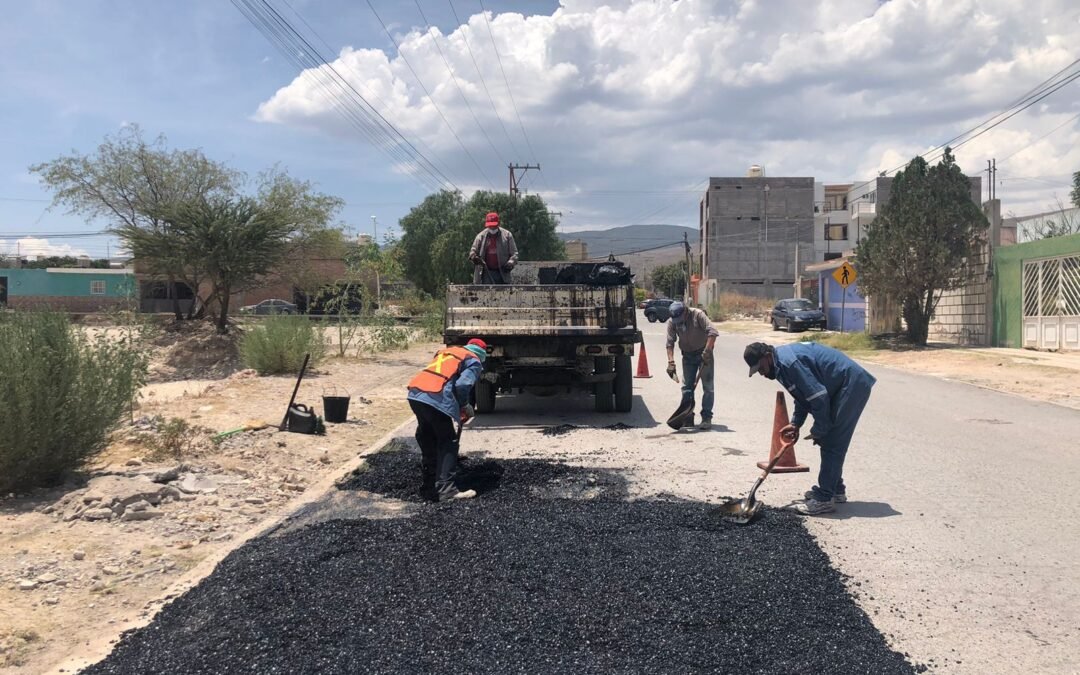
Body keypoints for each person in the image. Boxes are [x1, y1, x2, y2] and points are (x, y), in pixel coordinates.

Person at [743, 341, 876, 515]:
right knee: (829, 439)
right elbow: (803, 395)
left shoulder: (789, 363)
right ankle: (836, 489)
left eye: (760, 368)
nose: (761, 373)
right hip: (839, 386)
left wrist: (819, 429)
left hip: (851, 384)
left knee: (832, 441)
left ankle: (825, 499)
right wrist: (796, 423)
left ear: (767, 357)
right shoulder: (780, 365)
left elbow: (818, 397)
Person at [406, 338, 489, 502]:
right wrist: (464, 405)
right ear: (481, 354)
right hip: (435, 396)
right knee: (448, 440)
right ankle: (447, 490)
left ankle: (429, 483)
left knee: (427, 435)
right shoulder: (474, 360)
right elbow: (462, 385)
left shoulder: (447, 352)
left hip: (415, 394)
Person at [665, 301, 719, 430]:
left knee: (708, 387)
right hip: (687, 356)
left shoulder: (698, 315)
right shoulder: (673, 322)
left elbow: (713, 332)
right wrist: (671, 362)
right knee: (687, 387)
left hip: (703, 353)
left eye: (680, 318)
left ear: (685, 311)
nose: (678, 322)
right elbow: (669, 343)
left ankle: (706, 417)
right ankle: (688, 417)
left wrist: (707, 352)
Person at [469, 212, 519, 284]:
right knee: (485, 293)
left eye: (494, 226)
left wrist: (511, 263)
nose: (492, 228)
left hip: (502, 273)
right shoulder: (480, 236)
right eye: (490, 226)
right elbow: (473, 251)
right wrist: (474, 258)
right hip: (485, 273)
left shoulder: (507, 236)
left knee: (503, 294)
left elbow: (514, 253)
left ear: (498, 223)